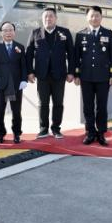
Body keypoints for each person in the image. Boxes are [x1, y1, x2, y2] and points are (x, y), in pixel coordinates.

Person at [26, 7, 75, 139]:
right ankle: (43, 129)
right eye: (45, 16)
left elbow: (71, 54)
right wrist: (29, 72)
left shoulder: (64, 32)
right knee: (43, 103)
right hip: (42, 75)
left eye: (51, 16)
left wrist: (71, 72)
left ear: (56, 18)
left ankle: (56, 128)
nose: (48, 18)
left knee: (58, 103)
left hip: (59, 74)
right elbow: (29, 54)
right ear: (42, 19)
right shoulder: (35, 33)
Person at [74, 6, 112, 145]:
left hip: (103, 77)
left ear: (101, 17)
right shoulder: (80, 35)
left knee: (101, 107)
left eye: (97, 15)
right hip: (86, 77)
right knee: (88, 106)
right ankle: (90, 132)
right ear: (87, 17)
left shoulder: (108, 33)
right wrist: (76, 74)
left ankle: (101, 133)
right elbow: (76, 57)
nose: (94, 18)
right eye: (92, 15)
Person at [0, 22, 27, 144]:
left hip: (16, 84)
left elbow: (23, 65)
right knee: (0, 110)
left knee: (16, 111)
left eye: (10, 30)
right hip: (0, 84)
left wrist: (24, 79)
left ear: (14, 32)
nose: (8, 33)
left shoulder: (20, 47)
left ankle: (17, 133)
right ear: (1, 33)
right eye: (5, 30)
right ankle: (0, 134)